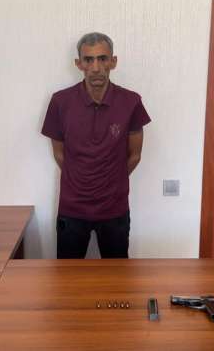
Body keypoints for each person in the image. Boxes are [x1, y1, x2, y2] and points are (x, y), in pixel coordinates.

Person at [41, 32, 151, 259]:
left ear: (113, 61)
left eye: (102, 58)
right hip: (72, 208)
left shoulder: (131, 102)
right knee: (67, 276)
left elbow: (135, 155)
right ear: (78, 63)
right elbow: (59, 153)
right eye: (88, 60)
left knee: (117, 276)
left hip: (115, 208)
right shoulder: (60, 102)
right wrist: (81, 178)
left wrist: (111, 180)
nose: (96, 67)